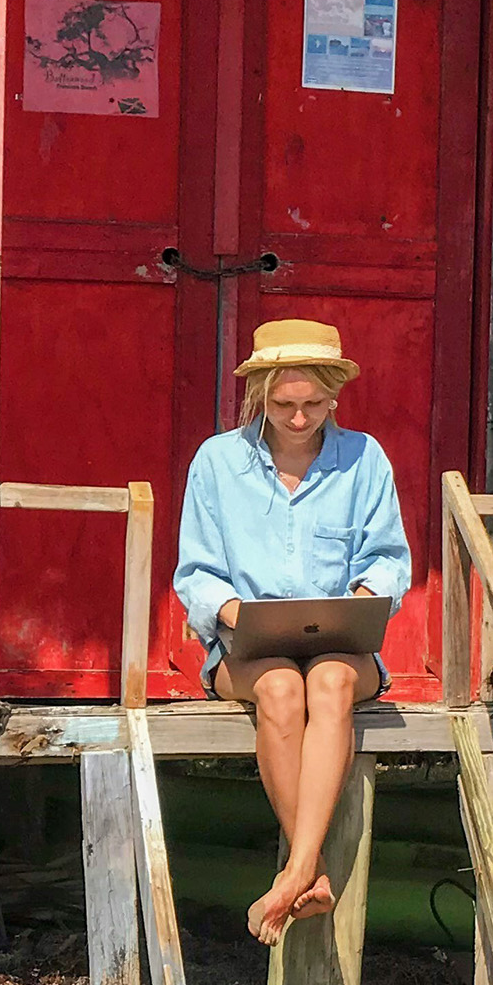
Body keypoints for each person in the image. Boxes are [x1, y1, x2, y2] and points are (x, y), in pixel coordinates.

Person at [173, 320, 410, 944]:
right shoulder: (217, 462)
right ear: (258, 396)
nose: (299, 418)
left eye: (312, 405)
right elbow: (195, 572)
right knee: (280, 686)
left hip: (342, 648)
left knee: (328, 681)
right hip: (244, 648)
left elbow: (388, 562)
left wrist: (359, 603)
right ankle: (314, 871)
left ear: (334, 398)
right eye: (284, 405)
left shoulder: (366, 458)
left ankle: (300, 868)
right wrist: (235, 617)